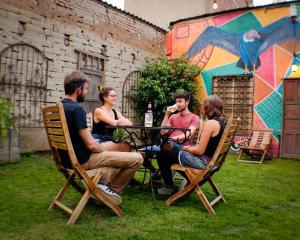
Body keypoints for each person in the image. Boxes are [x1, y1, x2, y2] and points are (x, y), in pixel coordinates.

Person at [61, 70, 143, 205]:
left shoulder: (61, 107)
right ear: (78, 89)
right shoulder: (76, 109)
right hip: (84, 160)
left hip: (66, 160)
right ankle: (109, 192)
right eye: (86, 89)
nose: (87, 92)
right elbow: (92, 145)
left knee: (122, 152)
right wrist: (107, 153)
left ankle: (102, 188)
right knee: (138, 158)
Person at [156, 94, 227, 195]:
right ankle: (186, 179)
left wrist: (186, 148)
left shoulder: (210, 123)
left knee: (162, 155)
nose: (202, 108)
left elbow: (199, 151)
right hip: (210, 161)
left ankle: (169, 187)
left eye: (203, 106)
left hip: (202, 162)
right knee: (170, 146)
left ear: (208, 107)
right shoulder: (222, 122)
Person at [141, 90, 200, 179]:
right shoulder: (173, 117)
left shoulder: (194, 118)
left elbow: (188, 134)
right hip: (167, 145)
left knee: (166, 145)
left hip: (182, 148)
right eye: (176, 102)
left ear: (187, 102)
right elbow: (163, 132)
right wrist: (167, 114)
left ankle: (165, 180)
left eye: (180, 101)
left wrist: (172, 139)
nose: (177, 104)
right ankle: (156, 172)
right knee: (140, 153)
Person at [92, 87, 131, 152]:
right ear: (105, 97)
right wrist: (122, 121)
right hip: (97, 140)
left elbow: (129, 123)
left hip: (109, 140)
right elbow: (113, 123)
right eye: (112, 96)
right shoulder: (99, 111)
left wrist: (124, 121)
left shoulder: (115, 112)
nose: (115, 98)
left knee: (126, 145)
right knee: (125, 146)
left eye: (116, 96)